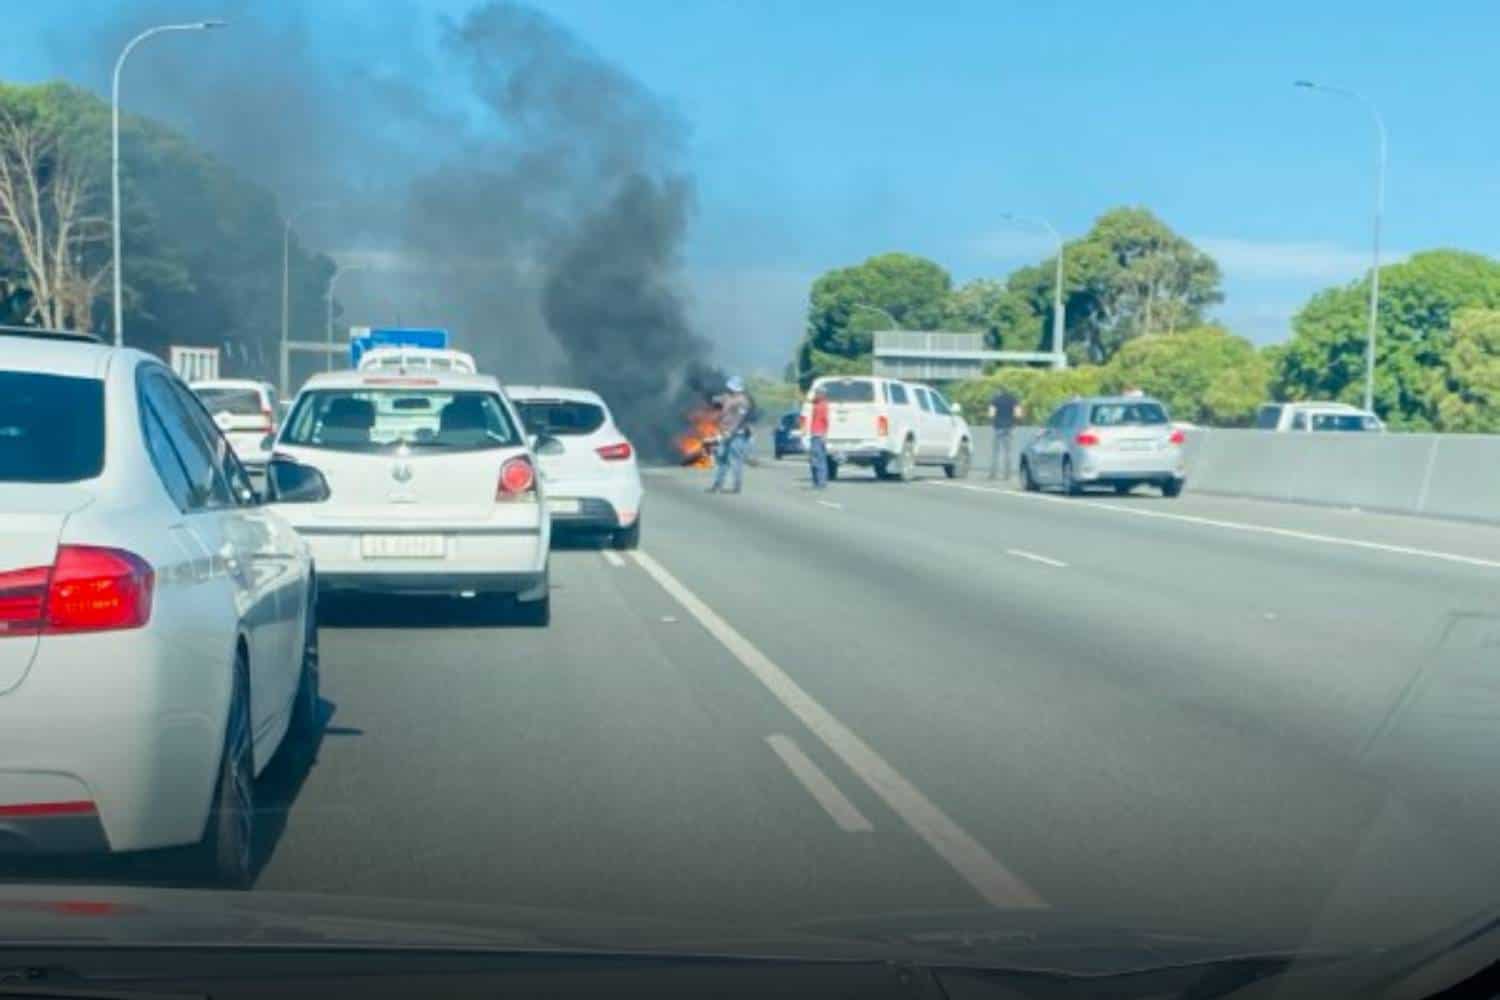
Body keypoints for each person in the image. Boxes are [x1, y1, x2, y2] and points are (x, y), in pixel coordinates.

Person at [708, 375, 752, 493]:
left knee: (735, 460)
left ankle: (736, 487)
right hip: (725, 433)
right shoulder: (728, 397)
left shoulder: (743, 402)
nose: (729, 389)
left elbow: (739, 419)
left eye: (731, 388)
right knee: (722, 459)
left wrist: (730, 432)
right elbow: (717, 400)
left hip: (737, 435)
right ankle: (717, 485)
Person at [987, 386, 1024, 480]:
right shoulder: (1013, 400)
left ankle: (993, 474)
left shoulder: (995, 400)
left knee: (996, 452)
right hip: (1009, 427)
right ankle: (1007, 475)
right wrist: (1015, 423)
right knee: (1008, 452)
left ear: (1000, 391)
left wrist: (993, 422)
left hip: (998, 427)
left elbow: (991, 414)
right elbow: (1018, 414)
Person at [807, 386, 830, 489]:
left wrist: (824, 435)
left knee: (817, 459)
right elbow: (810, 401)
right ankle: (818, 481)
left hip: (818, 434)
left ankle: (820, 482)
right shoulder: (817, 404)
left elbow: (825, 421)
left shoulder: (822, 405)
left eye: (817, 393)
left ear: (822, 395)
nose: (816, 395)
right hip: (815, 434)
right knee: (816, 459)